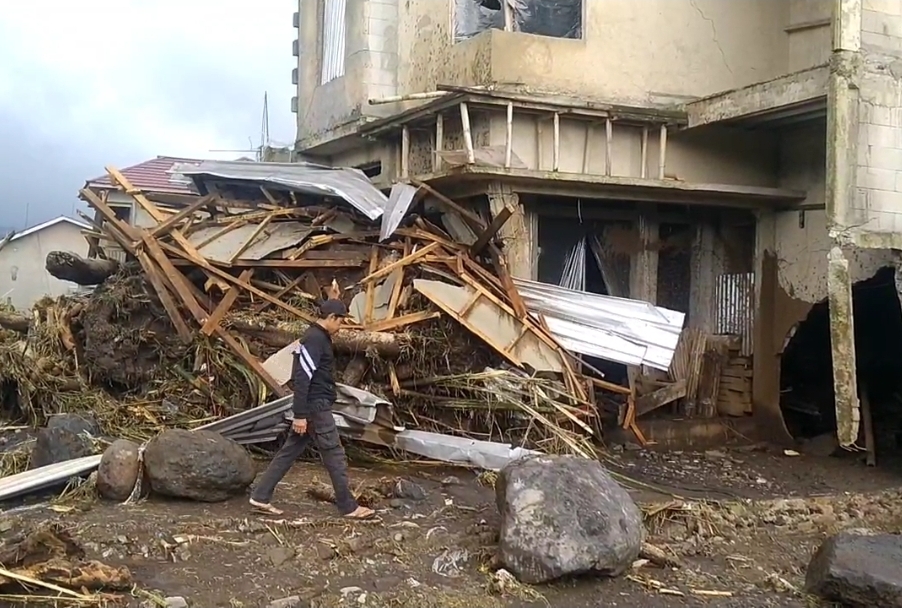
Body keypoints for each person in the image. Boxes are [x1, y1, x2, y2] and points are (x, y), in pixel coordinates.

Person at [249, 298, 376, 520]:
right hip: (315, 407)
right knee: (335, 454)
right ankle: (348, 507)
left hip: (314, 406)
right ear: (331, 318)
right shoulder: (315, 339)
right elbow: (302, 377)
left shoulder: (319, 338)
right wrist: (300, 415)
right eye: (341, 321)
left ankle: (260, 496)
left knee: (289, 451)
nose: (342, 326)